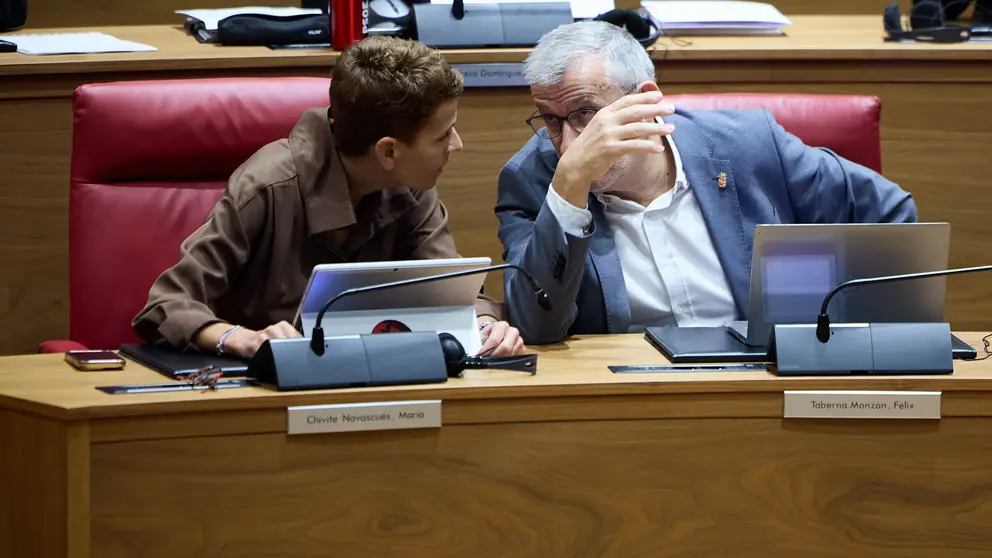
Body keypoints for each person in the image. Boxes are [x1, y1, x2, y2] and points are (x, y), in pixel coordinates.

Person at [495, 21, 917, 345]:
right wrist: (568, 188)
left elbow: (891, 213)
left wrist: (829, 331)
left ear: (646, 100)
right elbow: (538, 325)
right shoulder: (533, 179)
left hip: (767, 381)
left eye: (586, 114)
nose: (568, 143)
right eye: (550, 119)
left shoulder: (750, 146)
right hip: (632, 403)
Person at [133, 36, 524, 359]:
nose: (457, 145)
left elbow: (450, 290)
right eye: (443, 135)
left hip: (372, 379)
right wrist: (240, 337)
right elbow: (167, 304)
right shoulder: (267, 186)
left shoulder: (412, 187)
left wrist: (486, 325)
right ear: (388, 152)